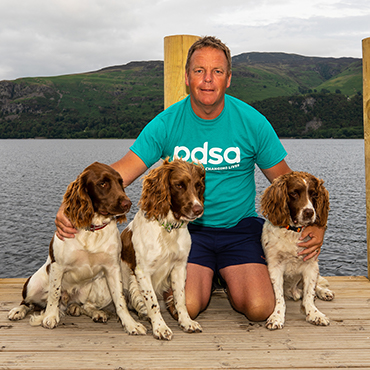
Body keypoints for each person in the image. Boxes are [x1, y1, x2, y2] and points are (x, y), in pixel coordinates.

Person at [55, 36, 325, 322]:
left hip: (239, 229)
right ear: (187, 77)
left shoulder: (252, 122)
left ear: (229, 79)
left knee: (260, 308)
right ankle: (209, 277)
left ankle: (223, 275)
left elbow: (287, 183)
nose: (208, 80)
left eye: (217, 71)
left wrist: (318, 224)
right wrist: (72, 202)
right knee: (191, 305)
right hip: (189, 232)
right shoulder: (166, 122)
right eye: (199, 71)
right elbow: (121, 171)